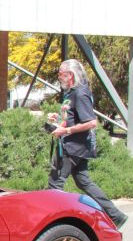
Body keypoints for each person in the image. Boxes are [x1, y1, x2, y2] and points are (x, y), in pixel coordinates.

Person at [47, 59, 127, 229]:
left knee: (55, 183)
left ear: (70, 75)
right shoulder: (71, 93)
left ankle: (51, 222)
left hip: (73, 147)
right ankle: (116, 216)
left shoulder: (80, 93)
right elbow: (73, 119)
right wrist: (58, 120)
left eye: (61, 74)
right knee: (83, 182)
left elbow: (91, 122)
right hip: (75, 145)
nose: (59, 77)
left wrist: (66, 131)